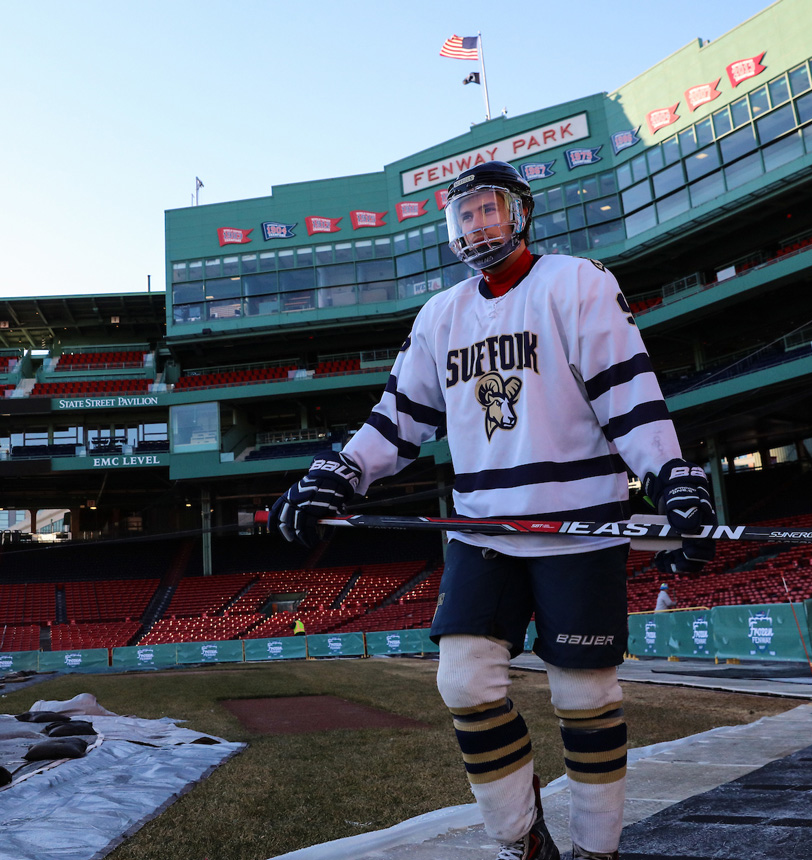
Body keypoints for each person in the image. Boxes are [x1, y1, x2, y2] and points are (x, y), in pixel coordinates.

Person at [269, 161, 716, 860]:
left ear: (521, 213)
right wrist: (338, 474)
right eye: (465, 215)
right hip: (484, 528)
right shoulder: (441, 315)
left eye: (489, 210)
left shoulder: (578, 283)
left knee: (584, 698)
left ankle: (599, 850)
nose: (478, 225)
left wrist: (669, 476)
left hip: (579, 523)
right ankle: (521, 841)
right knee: (462, 680)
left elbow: (627, 393)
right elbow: (398, 422)